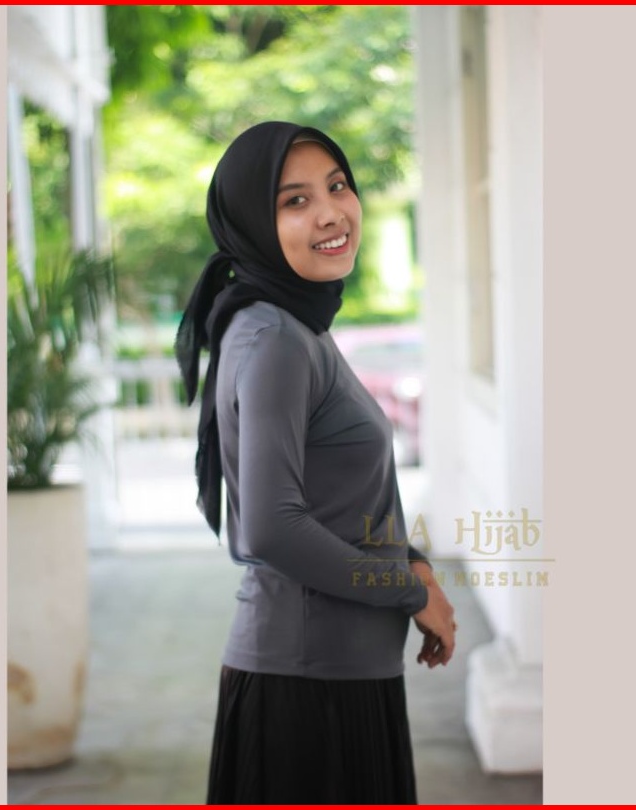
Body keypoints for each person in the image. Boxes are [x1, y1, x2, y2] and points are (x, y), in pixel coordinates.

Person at [175, 121, 457, 805]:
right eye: (294, 201)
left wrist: (413, 561)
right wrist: (410, 591)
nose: (330, 213)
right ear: (252, 223)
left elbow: (341, 499)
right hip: (308, 693)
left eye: (337, 186)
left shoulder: (297, 325)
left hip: (339, 673)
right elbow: (274, 527)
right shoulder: (274, 336)